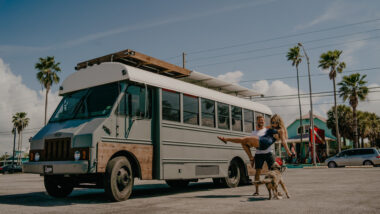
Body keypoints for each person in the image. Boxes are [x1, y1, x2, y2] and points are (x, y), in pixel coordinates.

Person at [217, 114, 293, 194]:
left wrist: (288, 151)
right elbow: (265, 128)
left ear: (278, 122)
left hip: (264, 144)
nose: (272, 123)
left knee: (244, 139)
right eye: (271, 122)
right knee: (244, 143)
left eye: (274, 122)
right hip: (261, 146)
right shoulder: (270, 128)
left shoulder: (280, 130)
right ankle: (256, 189)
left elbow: (284, 141)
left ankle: (226, 139)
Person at [250, 115, 275, 196]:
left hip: (268, 153)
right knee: (257, 172)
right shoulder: (253, 132)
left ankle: (275, 190)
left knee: (273, 172)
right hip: (259, 154)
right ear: (257, 122)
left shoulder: (268, 130)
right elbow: (252, 144)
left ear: (264, 122)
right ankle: (257, 191)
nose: (261, 122)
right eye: (260, 120)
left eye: (262, 121)